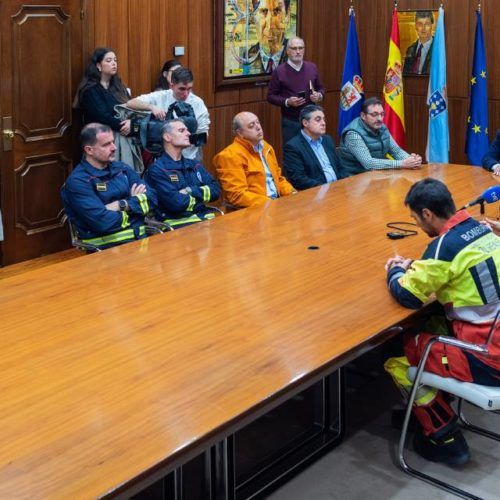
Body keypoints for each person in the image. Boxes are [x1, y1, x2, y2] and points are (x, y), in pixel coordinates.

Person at [384, 178, 500, 466]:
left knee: (399, 357)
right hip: (494, 337)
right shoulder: (484, 232)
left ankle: (443, 436)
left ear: (427, 214)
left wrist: (394, 272)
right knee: (432, 324)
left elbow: (407, 295)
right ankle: (432, 406)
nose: (418, 224)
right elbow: (459, 269)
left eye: (415, 218)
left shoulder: (442, 249)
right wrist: (419, 266)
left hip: (488, 359)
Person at [61, 123, 154, 250]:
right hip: (106, 250)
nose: (114, 147)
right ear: (89, 150)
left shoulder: (123, 168)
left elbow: (153, 199)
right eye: (106, 144)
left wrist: (121, 205)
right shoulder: (78, 182)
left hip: (141, 242)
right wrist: (137, 208)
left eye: (113, 142)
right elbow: (103, 223)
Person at [73, 48, 143, 172]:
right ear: (99, 66)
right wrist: (126, 126)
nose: (114, 63)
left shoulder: (118, 86)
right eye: (109, 60)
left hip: (125, 137)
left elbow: (130, 107)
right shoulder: (90, 90)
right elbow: (103, 117)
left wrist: (132, 124)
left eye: (115, 60)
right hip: (102, 140)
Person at [144, 119, 220, 228]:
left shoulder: (194, 165)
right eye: (181, 130)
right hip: (178, 228)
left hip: (205, 222)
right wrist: (200, 198)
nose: (188, 133)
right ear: (167, 137)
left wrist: (190, 191)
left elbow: (216, 190)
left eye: (187, 130)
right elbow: (176, 204)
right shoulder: (157, 170)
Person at [213, 111, 295, 208]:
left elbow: (278, 179)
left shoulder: (266, 147)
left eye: (258, 122)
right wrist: (271, 203)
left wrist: (292, 193)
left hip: (275, 203)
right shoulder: (229, 156)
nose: (258, 127)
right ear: (240, 133)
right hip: (253, 209)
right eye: (251, 125)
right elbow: (237, 195)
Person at [126, 67, 210, 161]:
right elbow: (130, 103)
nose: (186, 94)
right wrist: (152, 107)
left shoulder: (198, 103)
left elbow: (204, 136)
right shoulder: (161, 96)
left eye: (189, 89)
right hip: (163, 158)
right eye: (182, 89)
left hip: (190, 157)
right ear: (171, 85)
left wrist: (185, 138)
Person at [338, 97, 422, 176]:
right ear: (363, 116)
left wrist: (412, 160)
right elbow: (369, 164)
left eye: (382, 114)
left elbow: (396, 151)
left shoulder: (382, 128)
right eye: (374, 114)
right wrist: (402, 163)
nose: (380, 119)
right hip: (354, 178)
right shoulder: (353, 134)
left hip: (376, 175)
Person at [267, 37, 325, 146]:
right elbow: (270, 96)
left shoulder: (312, 67)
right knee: (292, 155)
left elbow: (321, 89)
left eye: (300, 48)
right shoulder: (279, 71)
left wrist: (319, 96)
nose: (298, 51)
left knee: (313, 154)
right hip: (291, 122)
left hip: (311, 121)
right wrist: (287, 102)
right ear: (288, 51)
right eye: (294, 48)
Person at [283, 105, 343, 190]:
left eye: (324, 119)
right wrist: (326, 189)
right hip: (316, 193)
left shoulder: (327, 140)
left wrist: (342, 184)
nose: (323, 123)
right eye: (318, 120)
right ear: (305, 123)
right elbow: (298, 179)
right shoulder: (293, 147)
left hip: (337, 188)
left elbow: (340, 167)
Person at [253, 0, 290, 73]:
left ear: (287, 15)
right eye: (263, 11)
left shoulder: (297, 57)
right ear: (254, 16)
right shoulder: (247, 57)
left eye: (277, 10)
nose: (269, 25)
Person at [403, 11, 434, 76]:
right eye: (420, 24)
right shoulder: (410, 49)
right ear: (416, 26)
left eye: (427, 24)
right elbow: (405, 74)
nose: (423, 28)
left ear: (432, 26)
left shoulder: (438, 48)